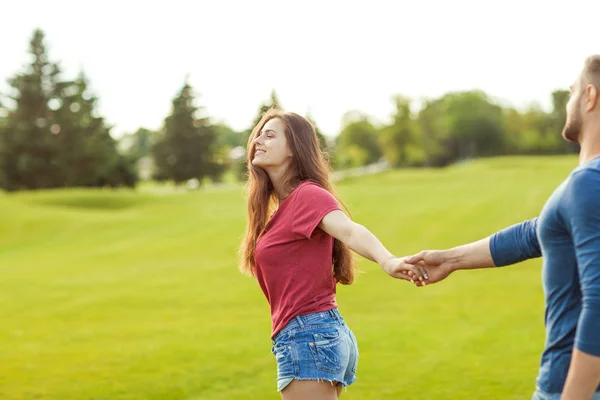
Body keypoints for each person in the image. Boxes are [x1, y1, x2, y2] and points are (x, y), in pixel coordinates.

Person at [404, 55, 600, 400]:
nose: (566, 103)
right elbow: (534, 234)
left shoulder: (588, 183)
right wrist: (450, 259)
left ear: (589, 96)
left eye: (571, 93)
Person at [239, 108, 426, 399]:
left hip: (308, 335)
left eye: (270, 135)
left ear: (293, 149)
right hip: (312, 333)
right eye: (258, 134)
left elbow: (349, 230)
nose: (258, 141)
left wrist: (388, 260)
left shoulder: (307, 195)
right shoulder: (284, 208)